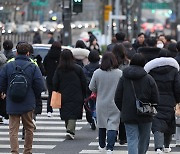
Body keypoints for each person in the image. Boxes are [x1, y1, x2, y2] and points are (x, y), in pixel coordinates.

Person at [0, 42, 45, 154]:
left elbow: (2, 82)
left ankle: (14, 151)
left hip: (12, 100)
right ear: (28, 53)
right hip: (28, 101)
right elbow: (40, 85)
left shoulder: (9, 65)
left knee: (13, 129)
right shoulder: (33, 66)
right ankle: (27, 151)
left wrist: (5, 92)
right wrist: (33, 94)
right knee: (29, 127)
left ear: (16, 52)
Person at [115, 53, 159, 154]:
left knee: (131, 139)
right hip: (146, 113)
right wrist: (152, 107)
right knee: (144, 139)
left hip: (128, 113)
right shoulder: (149, 78)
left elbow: (117, 97)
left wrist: (123, 109)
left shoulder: (124, 77)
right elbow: (155, 97)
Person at [144, 49, 180, 153]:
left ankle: (158, 147)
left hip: (156, 100)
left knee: (157, 122)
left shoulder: (151, 70)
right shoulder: (174, 70)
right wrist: (178, 100)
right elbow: (177, 86)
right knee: (169, 122)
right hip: (170, 100)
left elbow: (148, 86)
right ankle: (167, 146)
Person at [89, 52, 122, 154]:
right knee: (113, 124)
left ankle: (102, 145)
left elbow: (91, 87)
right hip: (115, 102)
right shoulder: (120, 73)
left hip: (101, 102)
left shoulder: (97, 73)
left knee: (102, 124)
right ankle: (110, 148)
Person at [52, 49, 87, 140]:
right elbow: (84, 82)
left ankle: (69, 129)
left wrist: (56, 90)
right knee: (73, 114)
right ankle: (70, 130)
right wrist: (85, 93)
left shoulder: (59, 69)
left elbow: (55, 83)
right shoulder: (78, 68)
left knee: (66, 113)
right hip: (77, 94)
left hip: (63, 95)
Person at [112, 43, 130, 145]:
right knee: (122, 115)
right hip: (124, 91)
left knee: (112, 116)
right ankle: (123, 137)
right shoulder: (127, 63)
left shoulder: (111, 63)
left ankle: (113, 135)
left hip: (112, 90)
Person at [83, 50, 100, 130]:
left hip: (88, 89)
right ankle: (95, 116)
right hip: (98, 89)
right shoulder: (100, 67)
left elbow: (83, 78)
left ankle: (92, 117)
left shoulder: (86, 68)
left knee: (91, 104)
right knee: (97, 104)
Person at [43, 41, 61, 117]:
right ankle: (61, 110)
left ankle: (49, 111)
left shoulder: (48, 56)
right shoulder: (61, 56)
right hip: (60, 77)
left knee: (51, 94)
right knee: (60, 94)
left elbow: (44, 66)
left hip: (50, 77)